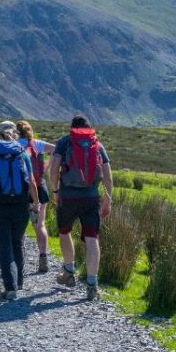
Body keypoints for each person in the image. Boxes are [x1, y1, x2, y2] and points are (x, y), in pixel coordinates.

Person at [48, 115, 113, 301]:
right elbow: (108, 177)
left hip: (68, 196)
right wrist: (108, 199)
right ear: (89, 127)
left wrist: (55, 190)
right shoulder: (97, 145)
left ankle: (69, 272)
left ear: (71, 128)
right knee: (92, 239)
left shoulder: (64, 142)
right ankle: (92, 284)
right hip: (91, 197)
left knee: (64, 232)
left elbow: (54, 170)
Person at [0, 121, 41, 300]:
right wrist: (35, 204)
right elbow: (31, 181)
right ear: (15, 135)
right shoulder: (22, 153)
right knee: (16, 243)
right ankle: (19, 281)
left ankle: (10, 287)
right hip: (21, 205)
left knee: (4, 245)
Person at [17, 120, 55, 274]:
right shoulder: (37, 144)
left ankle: (20, 258)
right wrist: (48, 165)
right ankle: (43, 258)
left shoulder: (14, 145)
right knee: (40, 225)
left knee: (20, 226)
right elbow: (56, 148)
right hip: (40, 188)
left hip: (21, 191)